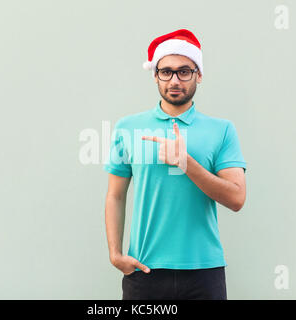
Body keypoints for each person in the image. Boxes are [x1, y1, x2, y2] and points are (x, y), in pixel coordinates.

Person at [103, 29, 247, 300]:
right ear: (156, 76)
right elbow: (115, 194)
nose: (174, 80)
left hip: (204, 271)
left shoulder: (222, 130)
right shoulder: (128, 128)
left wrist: (186, 163)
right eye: (166, 72)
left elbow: (237, 198)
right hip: (144, 271)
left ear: (199, 74)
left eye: (184, 71)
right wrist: (115, 254)